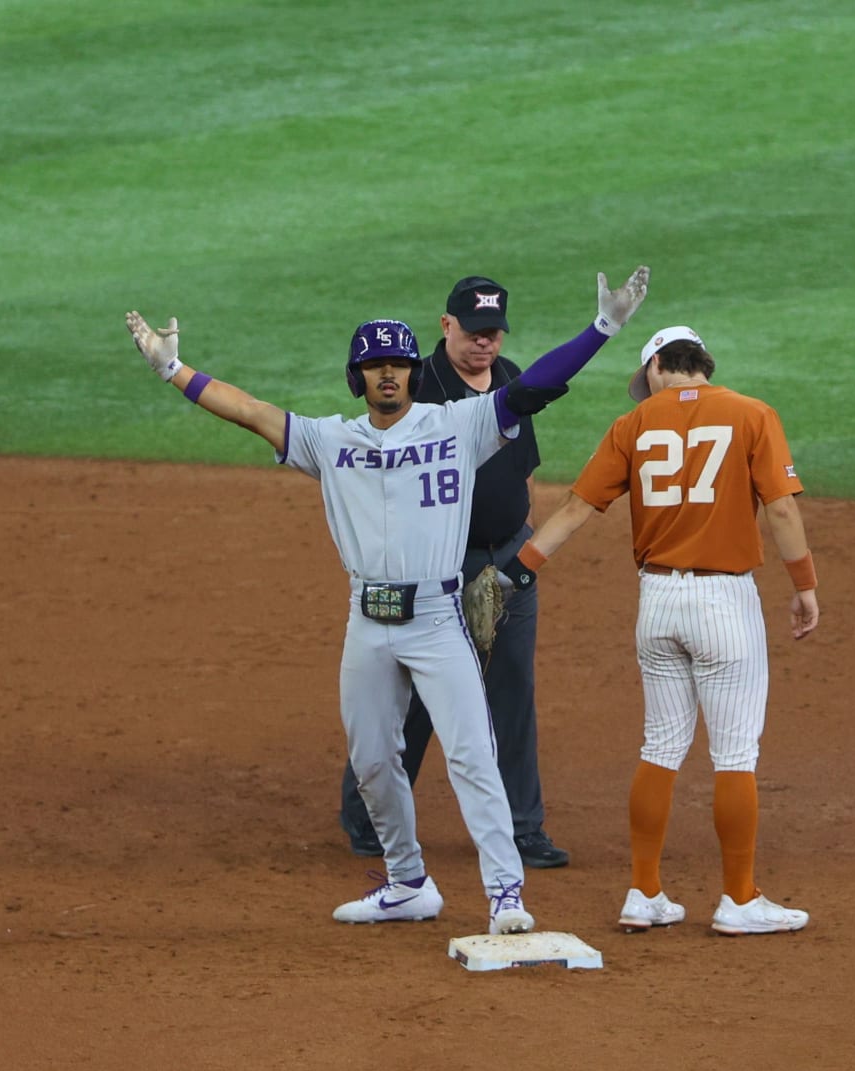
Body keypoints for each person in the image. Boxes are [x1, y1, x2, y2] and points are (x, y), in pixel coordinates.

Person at [123, 264, 648, 934]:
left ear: (411, 371)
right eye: (376, 367)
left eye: (399, 364)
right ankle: (406, 883)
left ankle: (506, 894)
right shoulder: (330, 440)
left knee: (471, 755)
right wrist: (174, 371)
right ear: (359, 378)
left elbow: (536, 388)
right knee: (373, 760)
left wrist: (603, 328)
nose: (390, 375)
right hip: (367, 623)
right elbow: (251, 411)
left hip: (436, 618)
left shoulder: (458, 425)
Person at [497, 323, 817, 935]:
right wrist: (804, 586)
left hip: (657, 602)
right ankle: (740, 901)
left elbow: (576, 510)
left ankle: (644, 893)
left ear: (656, 369)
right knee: (735, 755)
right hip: (725, 602)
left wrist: (517, 573)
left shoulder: (633, 426)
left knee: (660, 747)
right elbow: (780, 507)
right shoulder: (752, 414)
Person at [337, 275, 569, 870]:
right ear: (447, 327)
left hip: (507, 556)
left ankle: (524, 828)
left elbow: (523, 469)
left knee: (512, 689)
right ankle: (368, 814)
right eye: (473, 332)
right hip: (439, 566)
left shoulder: (513, 377)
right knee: (412, 691)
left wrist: (520, 542)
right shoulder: (422, 385)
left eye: (493, 333)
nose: (484, 344)